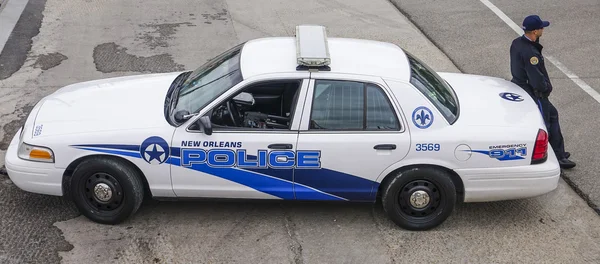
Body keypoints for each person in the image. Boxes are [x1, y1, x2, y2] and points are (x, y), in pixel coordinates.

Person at [509, 15, 576, 169]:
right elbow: (536, 77)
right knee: (545, 122)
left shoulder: (517, 43)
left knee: (552, 115)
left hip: (521, 86)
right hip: (535, 93)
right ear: (535, 31)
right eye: (541, 27)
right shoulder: (531, 53)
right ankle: (556, 157)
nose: (543, 29)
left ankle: (559, 152)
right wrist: (545, 88)